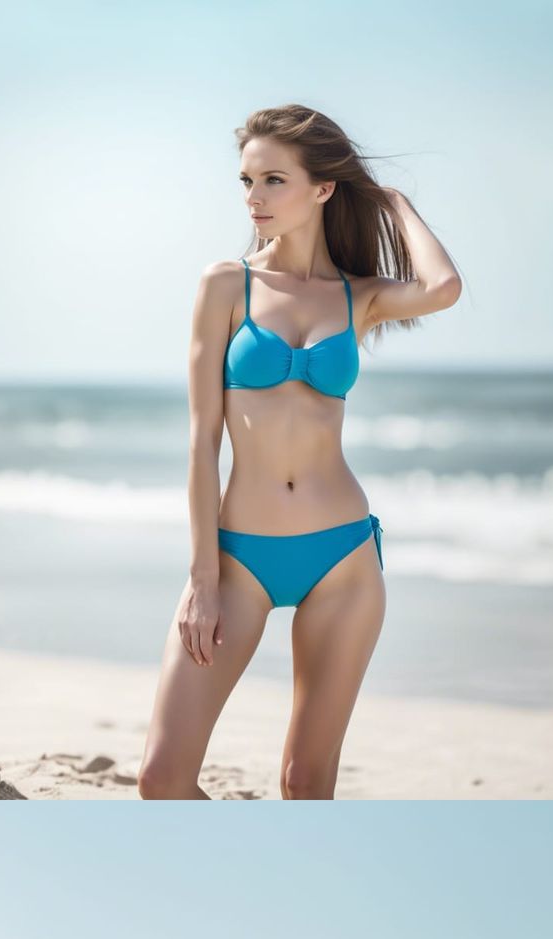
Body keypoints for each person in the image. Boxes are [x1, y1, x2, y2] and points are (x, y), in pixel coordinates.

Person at [139, 104, 462, 799]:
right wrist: (202, 579)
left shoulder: (358, 297)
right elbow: (201, 444)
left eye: (273, 180)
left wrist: (393, 201)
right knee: (162, 780)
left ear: (322, 189)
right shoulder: (227, 285)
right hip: (238, 561)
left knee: (305, 783)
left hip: (342, 558)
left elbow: (443, 288)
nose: (253, 198)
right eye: (247, 180)